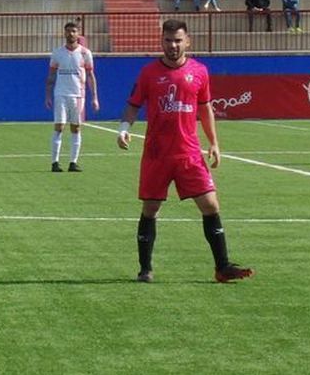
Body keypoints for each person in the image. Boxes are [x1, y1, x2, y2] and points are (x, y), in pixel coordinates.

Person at [116, 20, 253, 285]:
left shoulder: (199, 71)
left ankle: (222, 266)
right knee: (151, 208)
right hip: (157, 153)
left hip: (188, 153)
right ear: (161, 41)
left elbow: (205, 108)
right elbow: (133, 105)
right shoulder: (148, 73)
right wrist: (124, 128)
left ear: (187, 41)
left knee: (210, 205)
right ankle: (145, 269)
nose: (173, 45)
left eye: (178, 40)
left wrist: (214, 143)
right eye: (168, 40)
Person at [45, 20, 98, 173]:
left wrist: (95, 97)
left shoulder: (85, 53)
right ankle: (55, 163)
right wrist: (48, 95)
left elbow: (90, 75)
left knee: (76, 128)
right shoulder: (57, 53)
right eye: (68, 31)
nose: (71, 34)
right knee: (59, 127)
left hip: (78, 95)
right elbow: (51, 75)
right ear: (64, 33)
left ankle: (73, 162)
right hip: (60, 94)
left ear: (78, 33)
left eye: (73, 31)